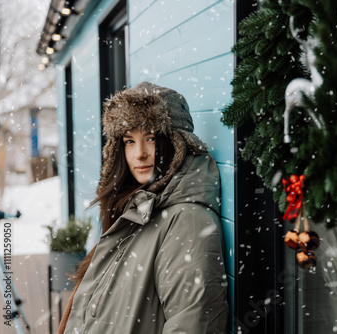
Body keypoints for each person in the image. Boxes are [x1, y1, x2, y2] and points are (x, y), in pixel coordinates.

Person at [58, 82, 228, 333]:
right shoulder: (135, 210)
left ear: (177, 143)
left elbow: (192, 324)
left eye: (150, 138)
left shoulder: (187, 222)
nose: (139, 154)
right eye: (129, 141)